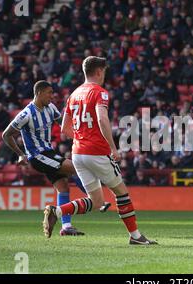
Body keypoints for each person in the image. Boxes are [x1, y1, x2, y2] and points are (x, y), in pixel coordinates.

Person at [43, 56, 157, 245]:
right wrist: (113, 147)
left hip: (78, 153)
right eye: (103, 71)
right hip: (96, 151)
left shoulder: (74, 94)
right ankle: (136, 237)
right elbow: (102, 119)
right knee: (121, 192)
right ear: (98, 72)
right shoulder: (100, 92)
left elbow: (64, 128)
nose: (104, 75)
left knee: (96, 201)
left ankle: (57, 211)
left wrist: (81, 138)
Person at [2, 80, 95, 236]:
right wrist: (20, 154)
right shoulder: (27, 113)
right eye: (49, 93)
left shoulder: (50, 108)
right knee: (75, 167)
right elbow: (6, 135)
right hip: (37, 156)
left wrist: (80, 135)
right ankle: (94, 197)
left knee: (64, 186)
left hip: (49, 153)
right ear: (39, 93)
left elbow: (64, 125)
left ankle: (66, 227)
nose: (52, 96)